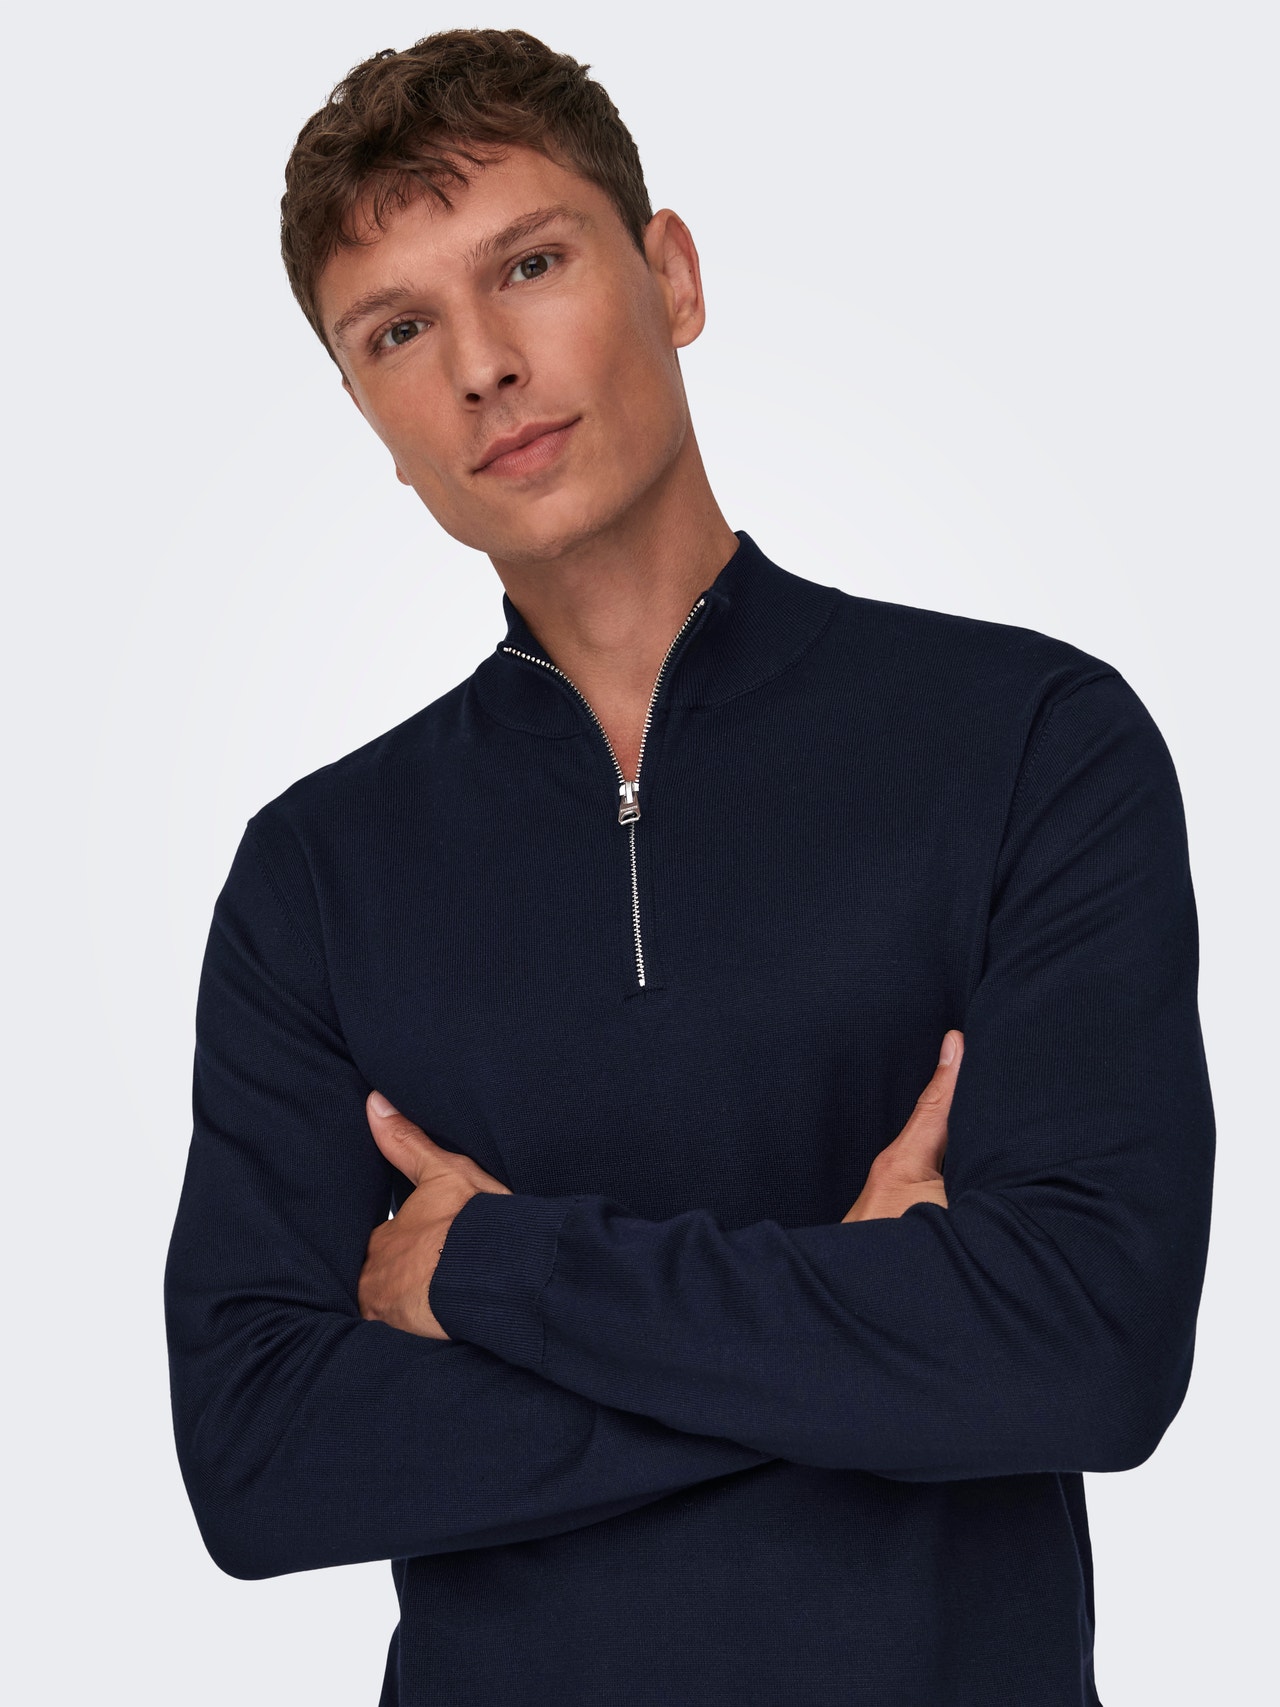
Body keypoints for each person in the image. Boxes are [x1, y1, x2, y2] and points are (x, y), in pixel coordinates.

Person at [162, 27, 1216, 1707]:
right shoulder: (315, 875)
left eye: (529, 264)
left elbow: (1088, 1349)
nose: (482, 365)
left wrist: (494, 1272)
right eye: (399, 330)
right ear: (368, 412)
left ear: (670, 275)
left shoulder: (1029, 741)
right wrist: (868, 1318)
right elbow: (262, 1460)